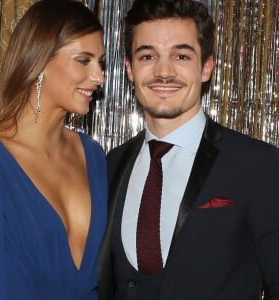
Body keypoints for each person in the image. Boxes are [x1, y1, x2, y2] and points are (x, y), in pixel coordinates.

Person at [98, 0, 279, 299]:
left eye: (181, 56)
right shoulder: (110, 164)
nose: (164, 71)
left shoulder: (259, 165)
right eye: (148, 56)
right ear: (129, 69)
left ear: (206, 67)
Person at [0, 0, 107, 299]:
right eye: (84, 60)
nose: (99, 76)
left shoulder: (92, 154)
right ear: (39, 62)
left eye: (100, 62)